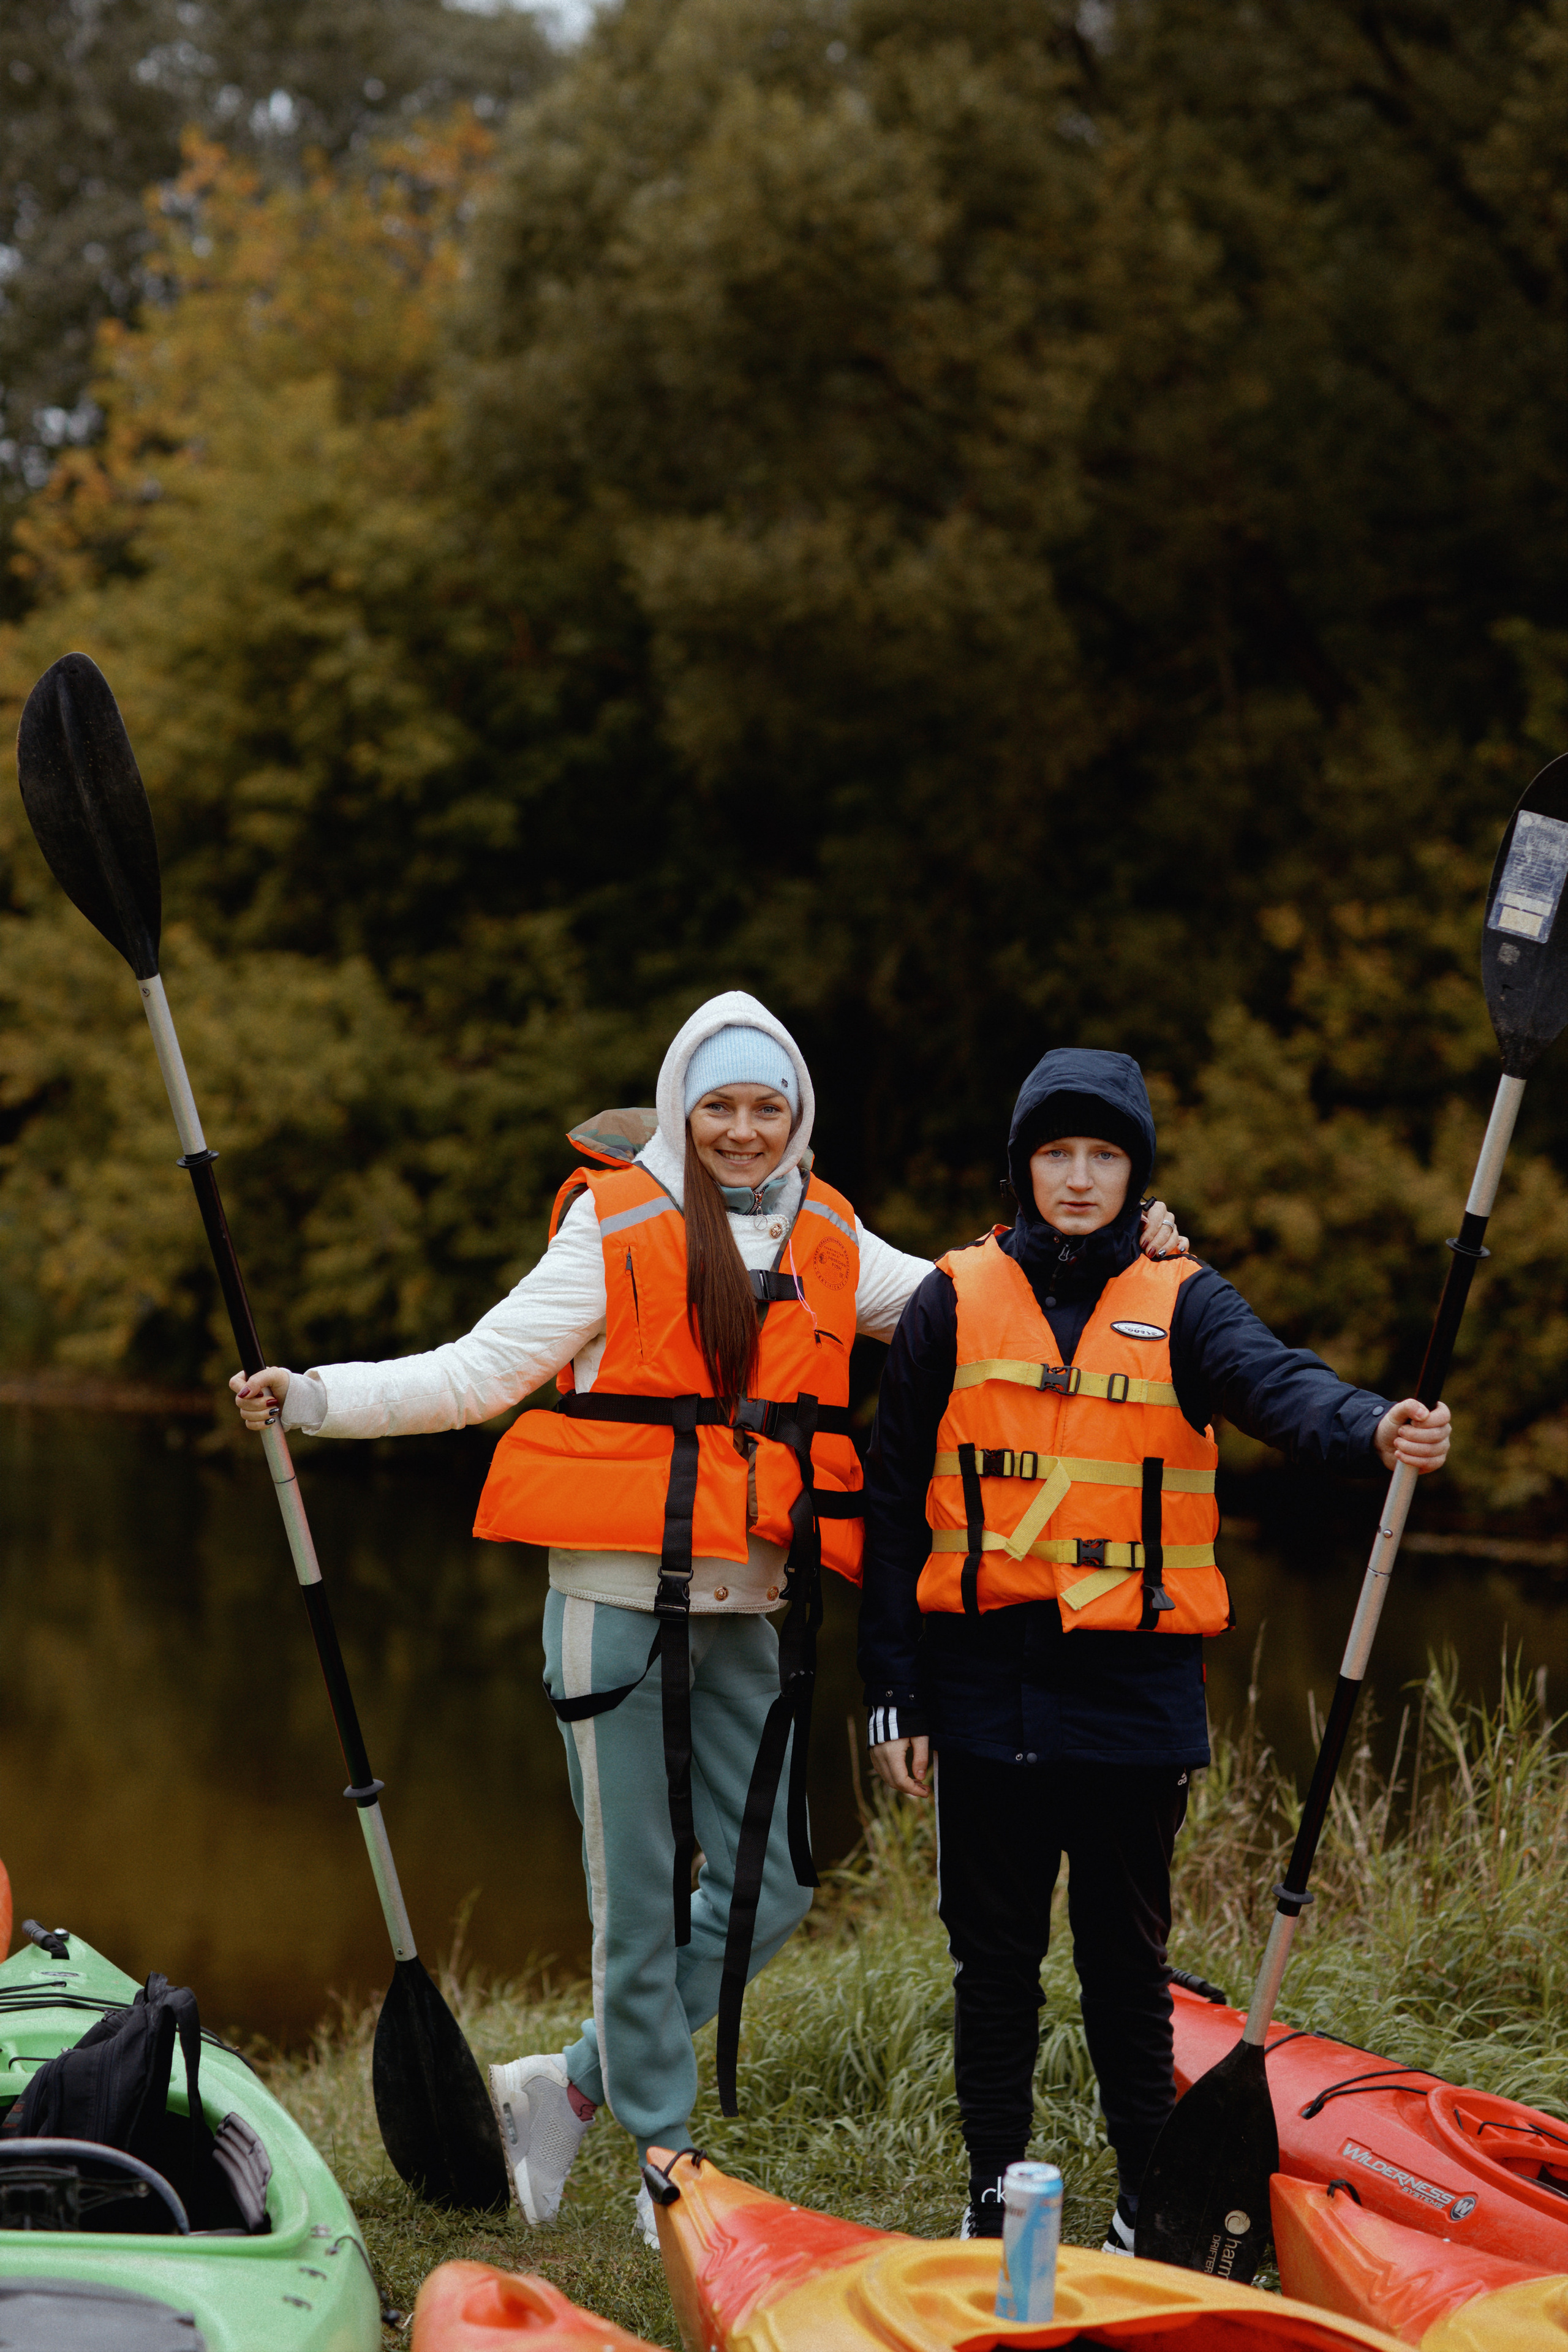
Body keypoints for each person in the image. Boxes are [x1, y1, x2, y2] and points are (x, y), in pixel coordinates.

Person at [232, 998, 1183, 2237]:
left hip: (753, 1618)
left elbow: (988, 1293)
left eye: (765, 1107)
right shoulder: (613, 1229)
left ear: (796, 1119)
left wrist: (1128, 1239)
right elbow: (475, 1372)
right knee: (634, 1911)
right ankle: (665, 2169)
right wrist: (310, 1396)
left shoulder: (831, 1234)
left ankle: (563, 2088)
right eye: (718, 1107)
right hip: (612, 1616)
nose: (741, 1130)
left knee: (770, 1892)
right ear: (683, 1109)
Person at [856, 1046, 1450, 2252]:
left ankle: (1149, 2199)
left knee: (1125, 1971)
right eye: (1055, 1153)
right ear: (1024, 1166)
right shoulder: (948, 1299)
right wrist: (892, 1693)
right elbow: (887, 1504)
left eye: (1101, 1155)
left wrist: (1371, 1428)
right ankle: (990, 2191)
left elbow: (1273, 1384)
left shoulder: (1186, 1297)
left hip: (1129, 1694)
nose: (1077, 1178)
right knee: (994, 1966)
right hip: (981, 1687)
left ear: (1132, 1170)